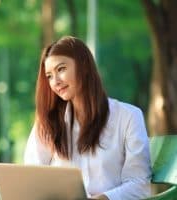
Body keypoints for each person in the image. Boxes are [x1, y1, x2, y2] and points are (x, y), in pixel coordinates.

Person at [24, 36, 151, 200]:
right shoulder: (48, 122)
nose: (55, 81)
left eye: (61, 69)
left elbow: (139, 185)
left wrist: (102, 199)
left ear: (84, 67)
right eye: (49, 75)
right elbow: (30, 177)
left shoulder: (128, 117)